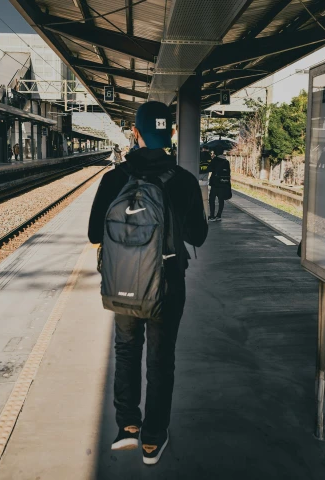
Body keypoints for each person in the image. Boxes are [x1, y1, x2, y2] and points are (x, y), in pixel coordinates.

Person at [88, 101, 208, 466]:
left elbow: (95, 232)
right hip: (168, 282)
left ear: (136, 133)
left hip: (124, 281)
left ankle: (127, 426)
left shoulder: (114, 179)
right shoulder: (184, 180)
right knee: (160, 359)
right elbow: (199, 237)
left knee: (126, 351)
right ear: (171, 133)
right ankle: (153, 439)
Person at [208, 150, 232, 221]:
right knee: (221, 200)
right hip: (223, 183)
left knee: (212, 199)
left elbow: (209, 169)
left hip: (215, 183)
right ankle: (219, 215)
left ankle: (212, 216)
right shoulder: (226, 161)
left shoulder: (215, 160)